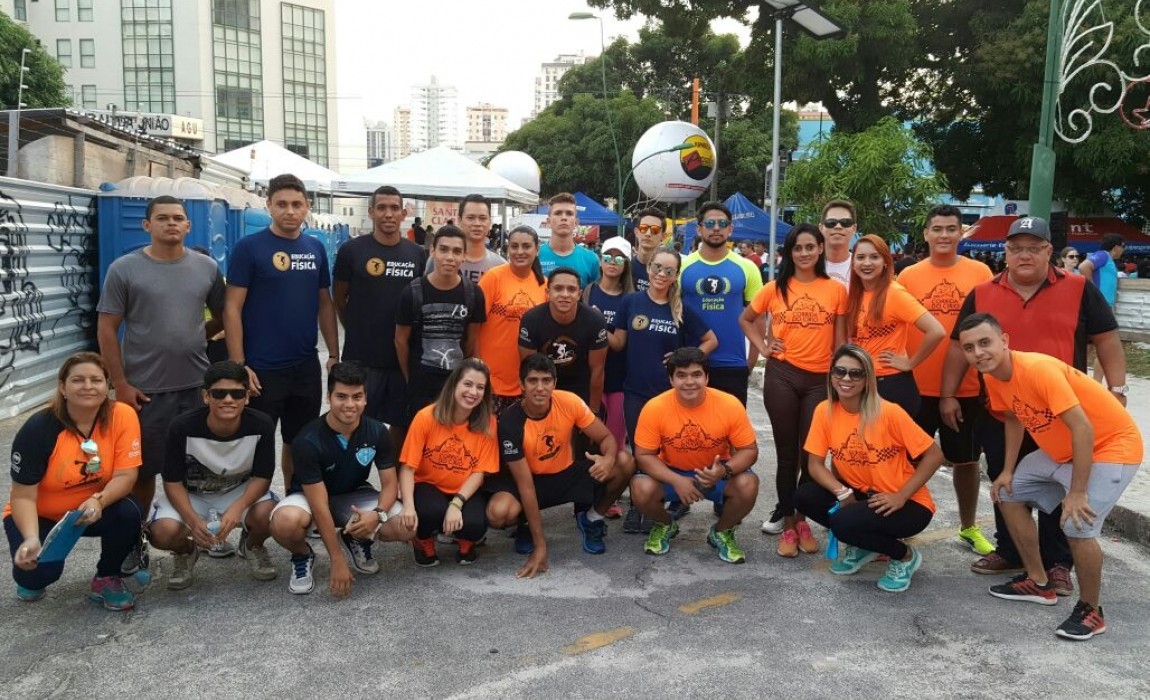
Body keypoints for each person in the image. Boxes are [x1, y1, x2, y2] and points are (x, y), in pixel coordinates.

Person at [942, 216, 1125, 594]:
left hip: (1058, 413)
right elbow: (959, 347)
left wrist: (1118, 388)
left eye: (1033, 247)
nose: (1024, 255)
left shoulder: (1079, 288)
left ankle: (1057, 562)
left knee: (1057, 487)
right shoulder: (982, 292)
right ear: (1005, 253)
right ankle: (1011, 551)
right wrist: (947, 394)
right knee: (1004, 480)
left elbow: (1106, 338)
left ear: (1048, 252)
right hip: (1002, 409)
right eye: (1016, 248)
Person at [957, 313, 1142, 640]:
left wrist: (1077, 491)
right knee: (1007, 492)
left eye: (985, 343)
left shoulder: (1038, 369)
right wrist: (1008, 470)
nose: (978, 353)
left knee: (1076, 524)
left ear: (1005, 340)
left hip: (1110, 446)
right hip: (1062, 451)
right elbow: (1013, 417)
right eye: (969, 347)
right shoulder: (992, 375)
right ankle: (1039, 581)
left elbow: (1083, 428)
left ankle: (1091, 611)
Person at [97, 194, 227, 575]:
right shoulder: (124, 269)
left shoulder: (205, 267)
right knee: (142, 474)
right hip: (144, 392)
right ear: (147, 225)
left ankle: (205, 535)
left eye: (178, 218)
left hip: (195, 388)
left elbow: (224, 316)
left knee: (201, 470)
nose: (171, 224)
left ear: (188, 226)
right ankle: (135, 543)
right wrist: (119, 383)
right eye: (163, 218)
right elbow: (107, 328)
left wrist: (195, 337)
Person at [224, 174, 340, 492]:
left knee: (301, 444)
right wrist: (239, 365)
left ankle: (296, 504)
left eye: (296, 204)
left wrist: (333, 354)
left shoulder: (315, 248)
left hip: (304, 367)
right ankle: (252, 520)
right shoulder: (249, 248)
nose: (290, 211)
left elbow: (325, 305)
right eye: (282, 204)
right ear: (269, 206)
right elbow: (231, 308)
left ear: (307, 207)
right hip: (260, 369)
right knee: (255, 446)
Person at [795, 344, 944, 593]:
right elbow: (815, 465)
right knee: (805, 496)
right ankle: (864, 546)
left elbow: (934, 455)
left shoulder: (889, 412)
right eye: (839, 371)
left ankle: (905, 556)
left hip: (907, 503)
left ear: (868, 379)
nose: (846, 378)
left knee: (843, 523)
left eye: (856, 373)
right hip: (862, 494)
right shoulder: (825, 410)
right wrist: (842, 492)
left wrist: (901, 495)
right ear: (830, 374)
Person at [739, 223, 848, 552]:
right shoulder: (775, 288)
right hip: (782, 376)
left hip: (820, 380)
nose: (804, 253)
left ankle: (802, 519)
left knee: (811, 455)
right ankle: (787, 523)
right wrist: (764, 345)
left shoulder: (836, 290)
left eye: (810, 247)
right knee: (787, 456)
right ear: (790, 252)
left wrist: (843, 378)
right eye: (798, 248)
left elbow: (842, 339)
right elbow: (746, 319)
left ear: (820, 250)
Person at [5, 352, 143, 610]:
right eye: (78, 380)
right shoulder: (39, 428)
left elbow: (126, 476)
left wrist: (98, 500)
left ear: (107, 385)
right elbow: (23, 495)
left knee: (129, 512)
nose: (88, 386)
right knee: (35, 575)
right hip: (42, 515)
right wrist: (31, 538)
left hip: (90, 510)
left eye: (96, 380)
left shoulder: (122, 415)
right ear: (62, 387)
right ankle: (33, 574)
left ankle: (106, 577)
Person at [897, 205, 995, 556]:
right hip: (916, 387)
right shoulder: (908, 276)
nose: (943, 235)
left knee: (966, 462)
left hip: (967, 388)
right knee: (906, 461)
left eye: (951, 229)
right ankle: (900, 527)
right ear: (925, 234)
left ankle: (968, 526)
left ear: (961, 233)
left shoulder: (980, 272)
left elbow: (989, 329)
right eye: (936, 229)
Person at [269, 362, 412, 597]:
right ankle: (303, 554)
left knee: (405, 527)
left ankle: (353, 536)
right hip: (310, 499)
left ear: (366, 398)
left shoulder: (377, 431)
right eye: (341, 396)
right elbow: (319, 504)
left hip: (354, 494)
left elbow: (389, 484)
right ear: (329, 397)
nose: (349, 405)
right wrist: (336, 560)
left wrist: (377, 515)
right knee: (285, 523)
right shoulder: (307, 440)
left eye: (357, 397)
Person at [487, 354, 636, 576]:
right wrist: (541, 547)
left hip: (565, 474)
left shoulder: (569, 401)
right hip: (530, 480)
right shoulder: (510, 420)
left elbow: (607, 439)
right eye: (533, 380)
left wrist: (607, 459)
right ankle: (525, 526)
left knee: (625, 462)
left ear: (554, 384)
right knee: (498, 513)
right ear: (521, 385)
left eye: (546, 380)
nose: (540, 388)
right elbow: (525, 486)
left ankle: (592, 518)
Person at [148, 361, 277, 590]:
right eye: (219, 393)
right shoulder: (181, 427)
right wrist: (191, 519)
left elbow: (262, 477)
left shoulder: (262, 424)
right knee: (162, 533)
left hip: (238, 491)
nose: (228, 400)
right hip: (192, 495)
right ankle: (187, 552)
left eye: (237, 393)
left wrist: (239, 507)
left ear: (247, 397)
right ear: (206, 396)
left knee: (269, 516)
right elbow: (172, 481)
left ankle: (252, 545)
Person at [630, 348, 760, 564]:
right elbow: (643, 455)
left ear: (707, 377)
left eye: (696, 374)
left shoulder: (729, 404)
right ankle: (665, 524)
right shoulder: (654, 407)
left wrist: (724, 471)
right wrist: (676, 480)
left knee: (748, 484)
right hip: (672, 473)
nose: (689, 382)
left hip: (715, 473)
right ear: (671, 379)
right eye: (681, 375)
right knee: (640, 488)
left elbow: (750, 450)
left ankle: (722, 531)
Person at [332, 185, 427, 448]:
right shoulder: (351, 250)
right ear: (372, 212)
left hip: (402, 358)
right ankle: (355, 483)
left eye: (394, 208)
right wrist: (353, 327)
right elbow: (339, 298)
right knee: (357, 424)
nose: (388, 213)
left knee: (402, 425)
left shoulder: (418, 254)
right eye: (382, 208)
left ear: (404, 213)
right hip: (363, 359)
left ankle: (394, 484)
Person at [398, 358, 499, 567]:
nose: (473, 392)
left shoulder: (488, 423)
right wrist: (408, 506)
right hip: (428, 484)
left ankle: (466, 541)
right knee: (430, 512)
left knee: (475, 524)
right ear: (454, 384)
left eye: (480, 387)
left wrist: (457, 502)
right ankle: (422, 540)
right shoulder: (426, 417)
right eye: (468, 384)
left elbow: (479, 472)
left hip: (463, 489)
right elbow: (408, 467)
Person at [846, 234, 945, 417]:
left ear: (885, 261)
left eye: (874, 257)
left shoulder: (894, 293)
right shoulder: (855, 294)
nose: (867, 263)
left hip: (890, 384)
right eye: (860, 257)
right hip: (862, 382)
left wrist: (910, 362)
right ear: (853, 263)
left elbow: (936, 331)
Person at [395, 225, 487, 419]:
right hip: (421, 386)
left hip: (457, 384)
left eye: (457, 251)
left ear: (464, 256)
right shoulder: (412, 292)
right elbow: (400, 341)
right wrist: (409, 378)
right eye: (444, 249)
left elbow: (472, 341)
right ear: (432, 252)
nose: (450, 257)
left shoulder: (473, 294)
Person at [680, 202, 764, 407]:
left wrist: (750, 362)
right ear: (699, 229)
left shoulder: (747, 268)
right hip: (691, 365)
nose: (716, 228)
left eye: (722, 223)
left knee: (730, 434)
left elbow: (758, 318)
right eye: (709, 223)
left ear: (730, 229)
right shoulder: (683, 267)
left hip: (733, 364)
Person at [476, 225, 548, 415]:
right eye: (514, 246)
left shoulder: (544, 285)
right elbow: (474, 326)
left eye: (526, 246)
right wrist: (477, 366)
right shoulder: (493, 278)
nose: (519, 252)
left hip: (528, 384)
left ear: (537, 249)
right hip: (491, 381)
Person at [518, 267, 609, 411]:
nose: (565, 294)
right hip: (544, 385)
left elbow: (597, 370)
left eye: (571, 290)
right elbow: (529, 371)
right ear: (548, 293)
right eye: (558, 289)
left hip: (580, 387)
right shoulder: (531, 320)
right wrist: (533, 410)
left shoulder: (595, 321)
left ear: (579, 294)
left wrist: (593, 411)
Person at [584, 236, 635, 450]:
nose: (612, 262)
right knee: (587, 440)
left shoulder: (630, 299)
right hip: (587, 378)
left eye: (619, 258)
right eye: (608, 256)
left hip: (618, 379)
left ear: (626, 265)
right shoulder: (587, 292)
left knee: (614, 443)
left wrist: (599, 321)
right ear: (600, 261)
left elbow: (618, 344)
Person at [1077, 233, 1124, 384]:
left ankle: (1091, 381)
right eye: (1123, 247)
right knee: (1105, 347)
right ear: (1116, 247)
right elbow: (1084, 266)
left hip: (1103, 306)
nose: (1123, 251)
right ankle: (1089, 380)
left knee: (1091, 347)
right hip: (1099, 308)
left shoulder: (1107, 259)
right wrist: (1093, 293)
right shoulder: (1102, 256)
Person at [426, 194, 505, 283]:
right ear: (460, 221)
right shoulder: (438, 260)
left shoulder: (500, 265)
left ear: (490, 222)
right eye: (470, 218)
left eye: (482, 218)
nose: (477, 223)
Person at [538, 192, 600, 287]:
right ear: (548, 222)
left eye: (569, 213)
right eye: (558, 213)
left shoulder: (591, 260)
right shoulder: (535, 257)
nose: (564, 218)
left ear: (576, 222)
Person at [820, 200, 857, 287]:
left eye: (845, 223)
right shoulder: (809, 266)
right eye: (831, 223)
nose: (838, 227)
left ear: (854, 228)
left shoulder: (863, 267)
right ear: (821, 228)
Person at [631, 208, 666, 292]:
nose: (648, 233)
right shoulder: (625, 269)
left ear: (663, 236)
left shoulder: (665, 274)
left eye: (655, 230)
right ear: (636, 232)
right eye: (643, 228)